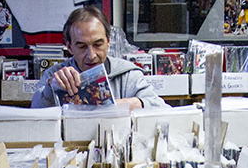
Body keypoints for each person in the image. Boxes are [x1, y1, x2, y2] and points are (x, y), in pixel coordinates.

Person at [31, 6, 165, 109]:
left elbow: (162, 109)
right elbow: (34, 119)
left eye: (98, 45)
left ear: (108, 42)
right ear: (69, 47)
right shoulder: (54, 75)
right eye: (82, 47)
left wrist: (138, 103)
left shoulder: (128, 75)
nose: (91, 55)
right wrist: (51, 87)